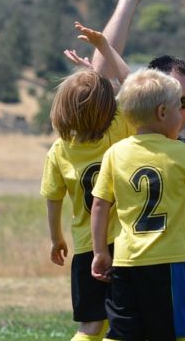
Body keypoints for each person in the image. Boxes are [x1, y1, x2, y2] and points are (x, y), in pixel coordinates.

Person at [91, 0, 185, 339]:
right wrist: (129, 0)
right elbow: (100, 76)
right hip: (129, 273)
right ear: (160, 109)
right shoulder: (125, 132)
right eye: (174, 101)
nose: (181, 110)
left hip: (136, 270)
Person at [90, 68, 185, 341]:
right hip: (171, 262)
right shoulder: (184, 153)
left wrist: (99, 252)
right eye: (179, 108)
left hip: (126, 260)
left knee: (122, 332)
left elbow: (99, 205)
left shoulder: (115, 153)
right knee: (180, 332)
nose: (182, 115)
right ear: (163, 113)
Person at [42, 24, 134, 341]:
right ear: (109, 106)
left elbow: (53, 200)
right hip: (123, 245)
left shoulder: (59, 150)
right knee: (124, 324)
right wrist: (106, 49)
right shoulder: (118, 128)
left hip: (85, 249)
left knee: (91, 326)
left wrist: (56, 239)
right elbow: (134, 86)